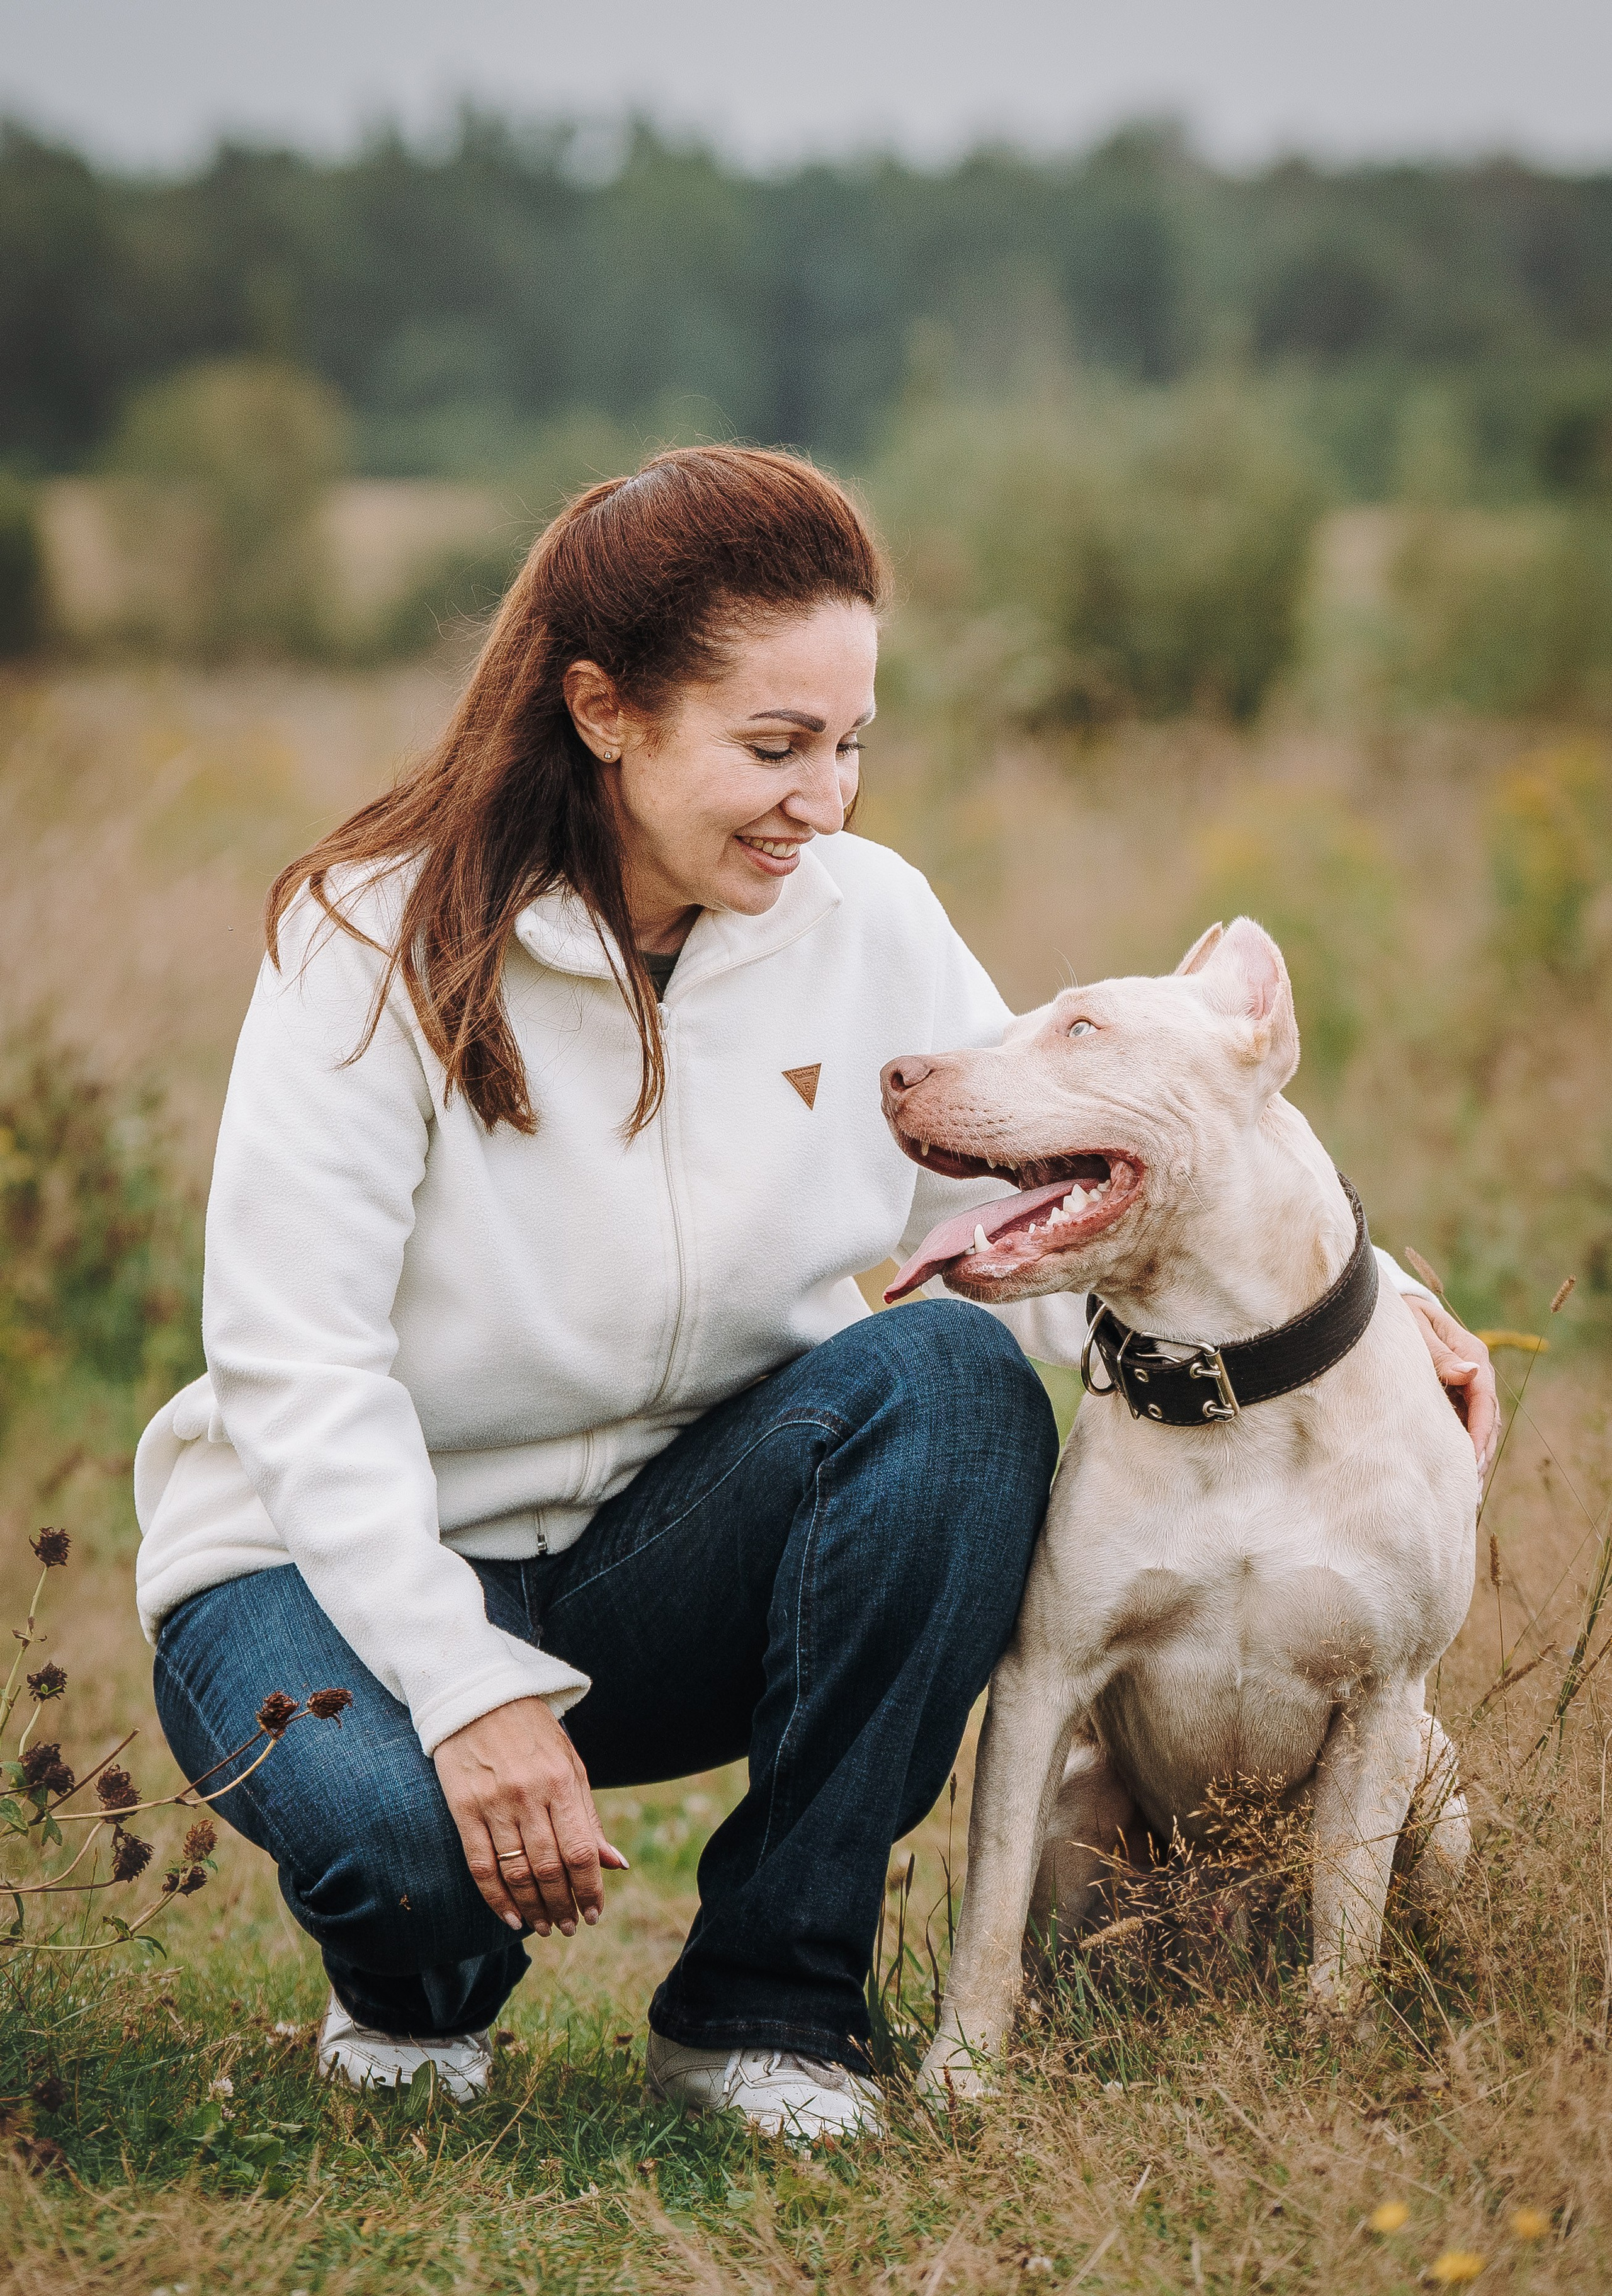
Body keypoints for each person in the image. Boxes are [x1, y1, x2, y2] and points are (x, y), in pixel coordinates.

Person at [133, 446, 1496, 2140]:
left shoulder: (867, 920)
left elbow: (1066, 1198)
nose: (828, 802)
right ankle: (416, 1992)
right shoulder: (369, 936)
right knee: (399, 1841)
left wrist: (1351, 1316)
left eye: (851, 744)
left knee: (952, 1385)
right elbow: (297, 1366)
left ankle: (769, 2008)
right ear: (605, 710)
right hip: (315, 1571)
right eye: (775, 748)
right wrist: (465, 1685)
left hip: (662, 1558)